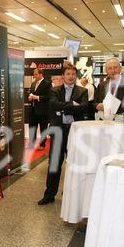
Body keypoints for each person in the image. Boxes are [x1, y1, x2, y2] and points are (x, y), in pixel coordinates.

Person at [38, 63, 88, 206]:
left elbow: (84, 108)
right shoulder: (54, 90)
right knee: (54, 163)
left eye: (73, 74)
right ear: (63, 76)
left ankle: (70, 193)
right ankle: (49, 194)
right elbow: (54, 105)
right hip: (58, 130)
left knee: (73, 163)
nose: (71, 77)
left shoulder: (82, 91)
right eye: (68, 74)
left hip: (75, 132)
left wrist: (63, 108)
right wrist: (72, 105)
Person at [28, 68, 51, 150]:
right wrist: (30, 97)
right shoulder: (33, 83)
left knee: (43, 128)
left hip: (43, 110)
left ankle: (42, 145)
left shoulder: (48, 84)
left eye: (36, 74)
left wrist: (37, 97)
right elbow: (31, 93)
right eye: (34, 74)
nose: (34, 76)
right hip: (33, 109)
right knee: (32, 127)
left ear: (41, 74)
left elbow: (49, 97)